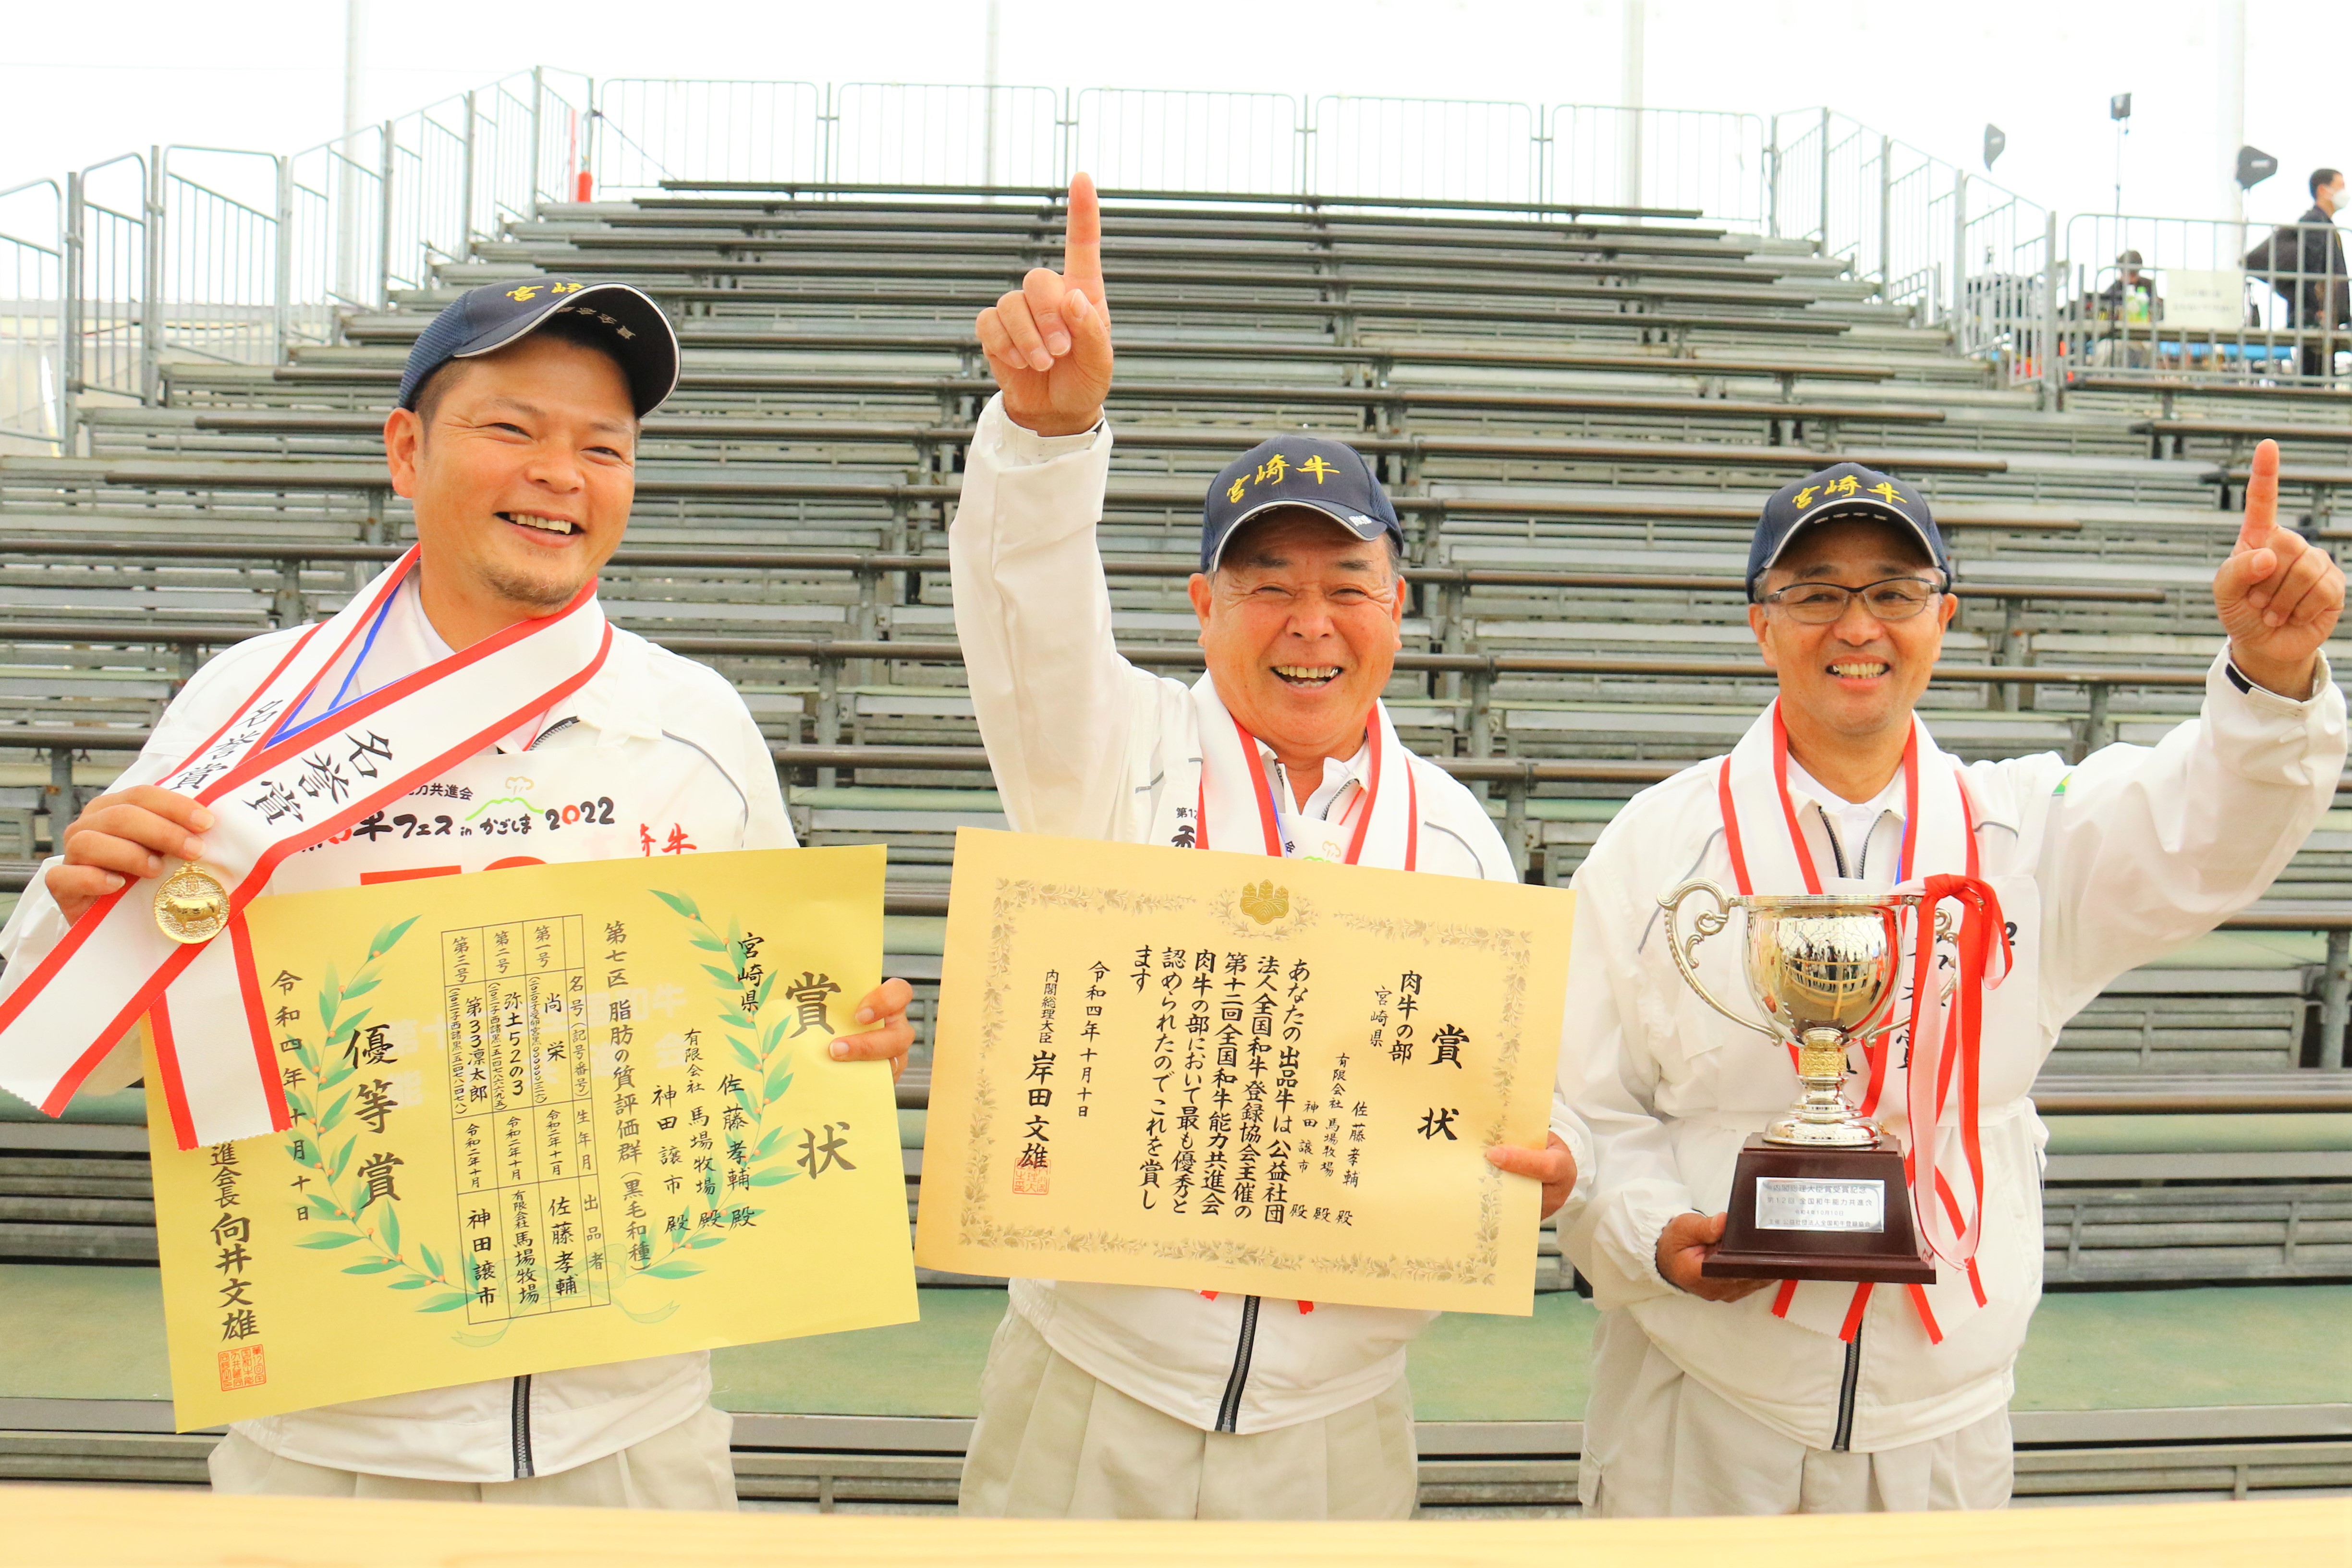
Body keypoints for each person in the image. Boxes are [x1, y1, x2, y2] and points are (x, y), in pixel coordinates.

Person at [0, 279, 918, 1507]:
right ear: (405, 448)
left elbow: (778, 1007)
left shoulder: (692, 723)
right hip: (328, 1440)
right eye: (512, 428)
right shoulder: (252, 712)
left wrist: (842, 1035)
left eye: (604, 446)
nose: (562, 473)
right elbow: (78, 1042)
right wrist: (86, 913)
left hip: (632, 1436)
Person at [946, 173, 1579, 1520]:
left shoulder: (1458, 841)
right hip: (1095, 1391)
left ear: (1398, 608)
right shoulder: (1106, 753)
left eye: (1345, 585)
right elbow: (1027, 611)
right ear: (1201, 605)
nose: (1309, 622)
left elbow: (1533, 1099)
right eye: (1266, 585)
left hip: (1341, 1420)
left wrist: (1556, 1165)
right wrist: (1046, 442)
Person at [1554, 450, 2343, 1516]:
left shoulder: (2020, 830)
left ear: (1943, 614)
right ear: (1760, 622)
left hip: (1941, 1412)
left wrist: (2267, 680)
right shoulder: (1655, 845)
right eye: (1816, 594)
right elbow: (1587, 1103)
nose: (1858, 626)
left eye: (1893, 593)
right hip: (1700, 1400)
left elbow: (2204, 830)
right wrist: (1650, 1233)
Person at [2249, 169, 2349, 377]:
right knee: (2315, 374)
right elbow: (2311, 268)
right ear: (2323, 190)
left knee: (2320, 371)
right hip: (2316, 316)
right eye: (2341, 187)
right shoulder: (2315, 223)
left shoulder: (2323, 224)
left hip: (2320, 315)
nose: (2345, 192)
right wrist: (2318, 307)